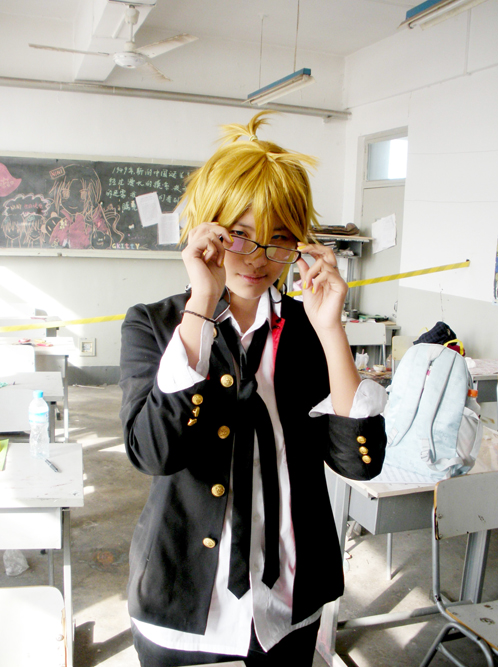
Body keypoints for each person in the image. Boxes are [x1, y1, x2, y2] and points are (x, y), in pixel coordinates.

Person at [119, 111, 387, 667]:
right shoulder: (156, 324)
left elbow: (359, 465)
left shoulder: (309, 329)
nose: (259, 258)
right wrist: (201, 303)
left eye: (280, 239)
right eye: (239, 234)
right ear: (208, 228)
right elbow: (153, 452)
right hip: (182, 603)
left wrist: (331, 330)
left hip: (287, 600)